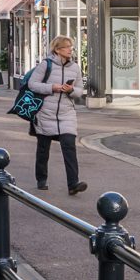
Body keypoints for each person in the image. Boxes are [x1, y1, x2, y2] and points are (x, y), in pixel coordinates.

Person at [24, 36, 88, 196]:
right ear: (57, 50)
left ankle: (73, 184)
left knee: (69, 146)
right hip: (45, 112)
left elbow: (80, 90)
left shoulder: (75, 67)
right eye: (67, 47)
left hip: (66, 113)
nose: (70, 49)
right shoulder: (46, 65)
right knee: (43, 148)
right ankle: (41, 179)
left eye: (71, 46)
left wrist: (71, 90)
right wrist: (52, 87)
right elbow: (32, 84)